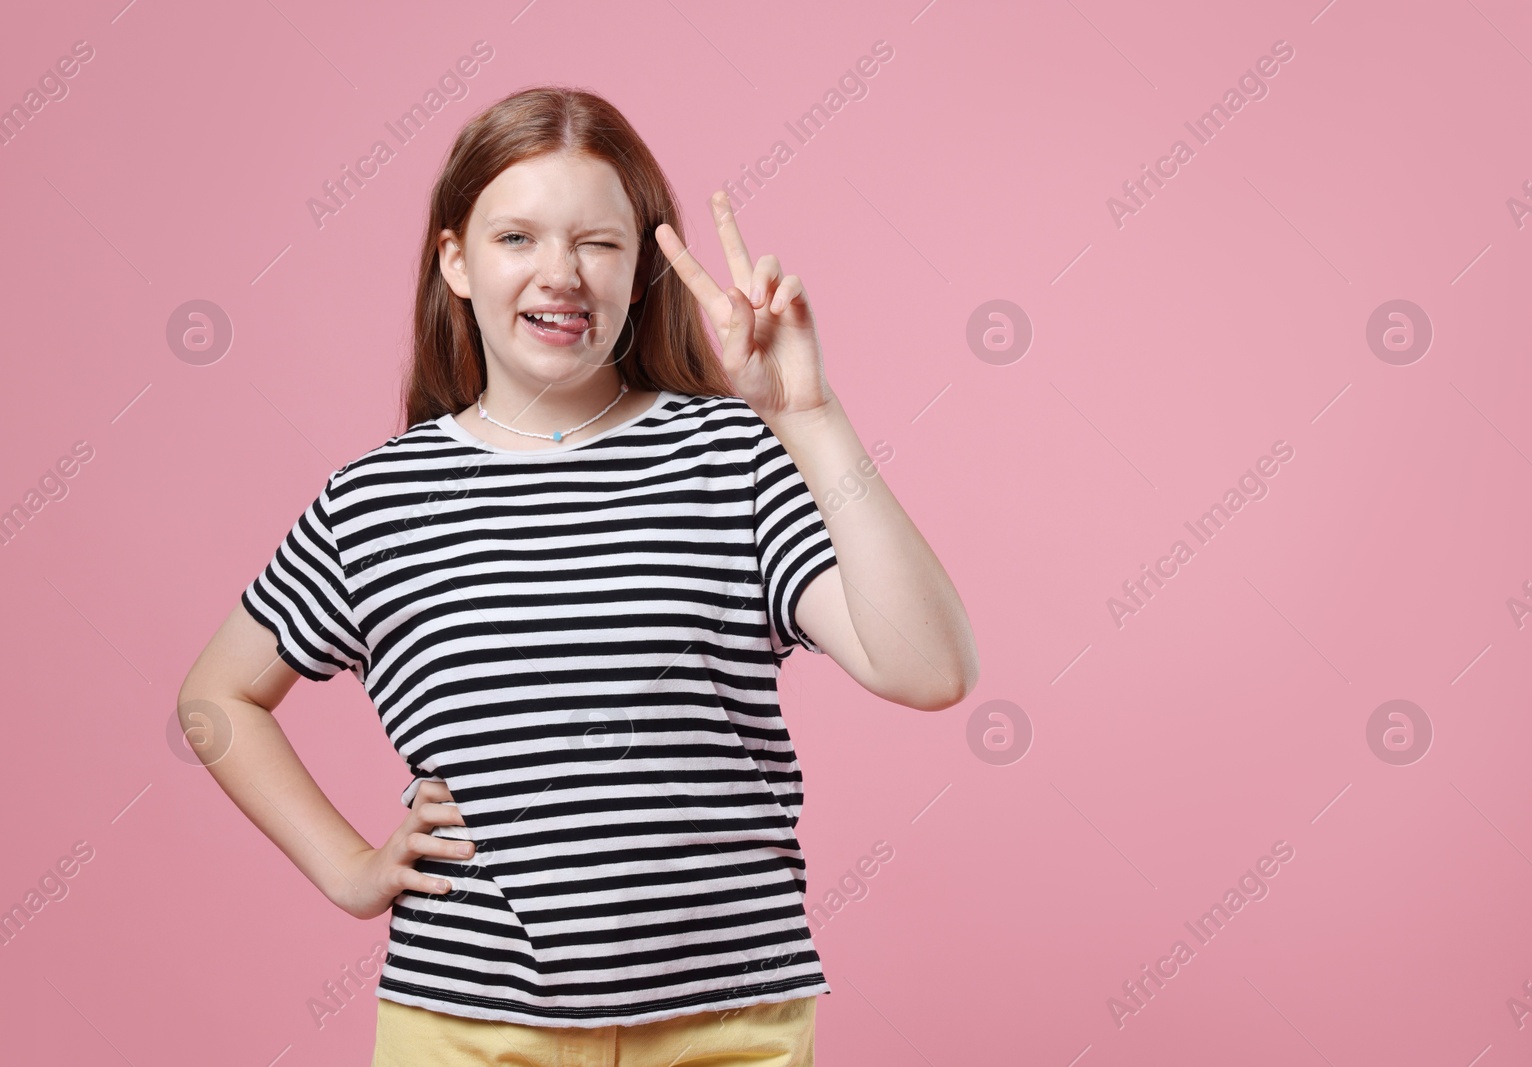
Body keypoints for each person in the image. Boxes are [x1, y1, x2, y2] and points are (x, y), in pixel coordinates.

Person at [178, 84, 979, 1066]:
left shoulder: (730, 458)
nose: (560, 274)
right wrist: (348, 867)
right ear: (454, 262)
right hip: (466, 1027)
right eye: (517, 237)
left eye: (597, 242)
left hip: (725, 1021)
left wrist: (808, 417)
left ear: (642, 270)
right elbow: (217, 696)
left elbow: (931, 670)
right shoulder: (376, 498)